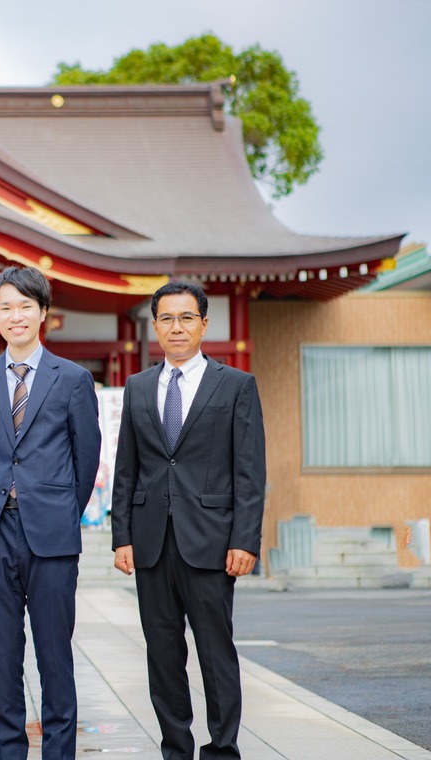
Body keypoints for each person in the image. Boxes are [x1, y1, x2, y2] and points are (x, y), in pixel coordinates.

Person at [110, 280, 266, 760]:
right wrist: (122, 537)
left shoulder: (236, 385)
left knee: (216, 654)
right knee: (163, 655)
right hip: (152, 540)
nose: (176, 328)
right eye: (166, 319)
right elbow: (127, 468)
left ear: (203, 323)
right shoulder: (138, 387)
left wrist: (246, 539)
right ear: (155, 325)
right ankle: (175, 748)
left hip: (214, 541)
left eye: (185, 318)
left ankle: (222, 749)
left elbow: (250, 469)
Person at [0, 265, 101, 760]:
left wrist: (57, 508)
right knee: (2, 657)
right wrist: (2, 498)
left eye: (25, 306)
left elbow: (86, 460)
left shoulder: (74, 379)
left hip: (53, 534)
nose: (15, 316)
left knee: (54, 657)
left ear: (43, 313)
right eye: (6, 308)